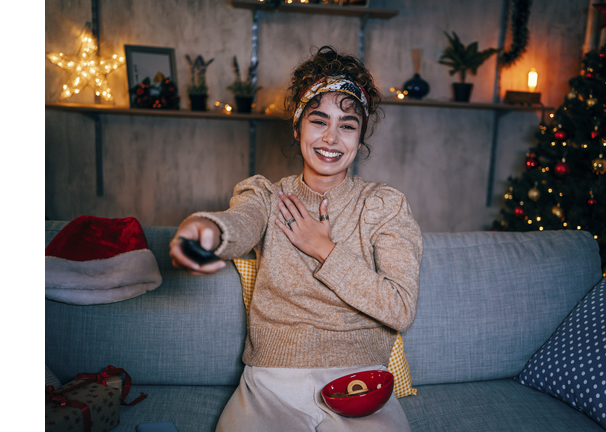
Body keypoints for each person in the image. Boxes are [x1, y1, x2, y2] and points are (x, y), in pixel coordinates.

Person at [169, 46, 423, 432]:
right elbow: (238, 223)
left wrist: (323, 249)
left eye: (348, 125)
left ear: (360, 136)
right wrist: (207, 231)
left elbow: (400, 308)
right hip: (272, 385)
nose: (332, 138)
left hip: (361, 385)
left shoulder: (383, 205)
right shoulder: (266, 196)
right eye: (319, 121)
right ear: (298, 127)